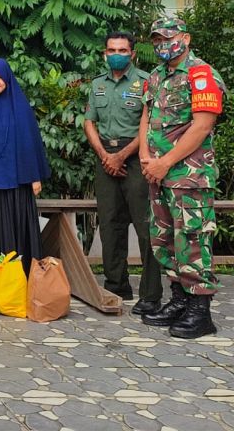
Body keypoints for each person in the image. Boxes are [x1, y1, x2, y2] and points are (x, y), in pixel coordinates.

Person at [139, 18, 226, 338]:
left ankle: (200, 310)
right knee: (165, 241)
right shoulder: (156, 77)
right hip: (158, 175)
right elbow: (146, 117)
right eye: (157, 39)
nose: (163, 43)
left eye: (168, 37)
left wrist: (165, 163)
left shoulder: (201, 74)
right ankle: (179, 300)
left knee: (191, 239)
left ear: (185, 38)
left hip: (189, 176)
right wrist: (146, 158)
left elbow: (202, 126)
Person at [83, 32, 162, 315]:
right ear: (105, 53)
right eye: (112, 49)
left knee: (146, 226)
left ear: (132, 54)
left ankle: (150, 294)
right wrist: (106, 156)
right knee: (109, 224)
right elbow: (89, 122)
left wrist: (122, 156)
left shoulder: (146, 82)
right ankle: (116, 285)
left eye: (123, 49)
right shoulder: (97, 85)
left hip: (137, 159)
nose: (117, 53)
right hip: (105, 159)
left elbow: (150, 126)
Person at [0, 58, 45, 273]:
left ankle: (20, 278)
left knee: (17, 229)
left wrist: (35, 177)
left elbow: (29, 142)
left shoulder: (19, 106)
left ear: (8, 79)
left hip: (17, 184)